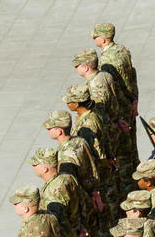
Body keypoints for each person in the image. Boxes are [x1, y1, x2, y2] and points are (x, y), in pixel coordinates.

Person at [63, 83, 117, 225]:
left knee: (100, 216)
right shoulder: (92, 114)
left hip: (97, 176)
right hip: (100, 173)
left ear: (76, 103)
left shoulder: (87, 125)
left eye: (69, 101)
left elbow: (95, 154)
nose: (68, 104)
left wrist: (92, 187)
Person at [93, 23, 138, 188]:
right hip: (129, 103)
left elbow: (113, 88)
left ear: (103, 39)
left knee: (122, 150)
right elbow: (132, 76)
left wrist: (116, 115)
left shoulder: (106, 61)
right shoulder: (123, 51)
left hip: (120, 108)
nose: (94, 39)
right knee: (132, 147)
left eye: (96, 36)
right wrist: (135, 99)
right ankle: (135, 173)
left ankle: (128, 184)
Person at [43, 110, 103, 235]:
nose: (48, 130)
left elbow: (72, 186)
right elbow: (92, 166)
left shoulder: (65, 156)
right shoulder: (79, 141)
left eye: (50, 128)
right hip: (91, 191)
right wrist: (96, 191)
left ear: (59, 131)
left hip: (83, 201)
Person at [30, 146, 82, 235]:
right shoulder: (66, 178)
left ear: (45, 169)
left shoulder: (52, 193)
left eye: (35, 164)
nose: (33, 166)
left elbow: (59, 223)